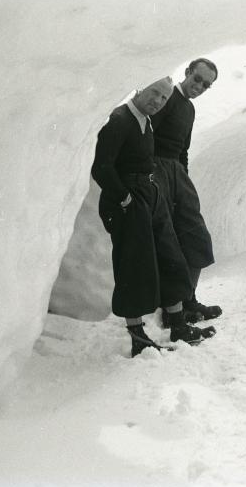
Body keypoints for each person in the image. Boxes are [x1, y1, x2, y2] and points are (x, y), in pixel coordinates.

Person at [92, 77, 215, 357]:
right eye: (154, 93)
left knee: (171, 256)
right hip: (128, 200)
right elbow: (102, 167)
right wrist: (124, 198)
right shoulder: (120, 119)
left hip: (150, 194)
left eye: (163, 98)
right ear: (139, 88)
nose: (158, 101)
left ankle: (179, 325)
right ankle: (138, 337)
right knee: (133, 267)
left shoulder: (146, 122)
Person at [150, 58, 222, 325]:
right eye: (197, 80)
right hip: (156, 172)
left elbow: (183, 150)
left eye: (206, 85)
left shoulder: (189, 110)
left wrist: (184, 183)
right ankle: (173, 311)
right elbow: (146, 137)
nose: (200, 86)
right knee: (168, 244)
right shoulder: (166, 98)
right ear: (187, 73)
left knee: (197, 237)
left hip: (177, 175)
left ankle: (189, 300)